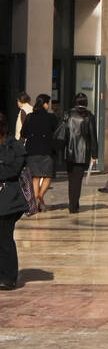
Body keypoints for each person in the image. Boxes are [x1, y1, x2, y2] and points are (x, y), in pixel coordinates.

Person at [58, 92, 98, 214]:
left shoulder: (68, 114)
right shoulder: (89, 116)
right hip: (82, 152)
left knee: (71, 179)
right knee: (78, 180)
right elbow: (92, 137)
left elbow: (63, 133)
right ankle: (74, 205)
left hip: (69, 151)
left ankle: (73, 203)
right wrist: (94, 154)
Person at [0, 112, 26, 289]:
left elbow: (13, 171)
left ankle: (8, 277)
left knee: (5, 238)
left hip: (9, 200)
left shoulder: (14, 146)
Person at [20, 93, 57, 211]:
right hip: (47, 150)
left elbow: (23, 133)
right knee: (48, 176)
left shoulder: (30, 116)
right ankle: (40, 196)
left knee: (35, 177)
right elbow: (56, 132)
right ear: (45, 104)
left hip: (32, 150)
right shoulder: (51, 117)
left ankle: (36, 200)